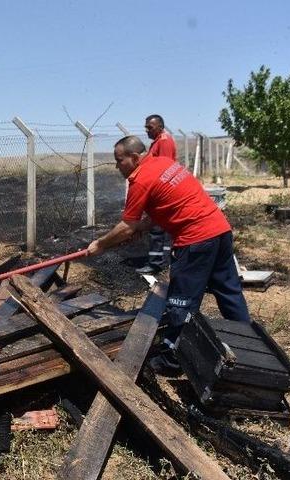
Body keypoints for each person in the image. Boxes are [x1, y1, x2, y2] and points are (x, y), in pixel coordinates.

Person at [86, 136, 250, 373]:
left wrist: (100, 244)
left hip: (195, 240)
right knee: (229, 291)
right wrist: (143, 227)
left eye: (119, 160)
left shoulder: (140, 179)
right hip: (220, 230)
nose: (116, 166)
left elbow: (125, 227)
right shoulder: (164, 164)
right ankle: (247, 343)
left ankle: (173, 359)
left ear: (133, 158)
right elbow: (166, 205)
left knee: (181, 301)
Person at [136, 114, 178, 275]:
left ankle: (155, 264)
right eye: (146, 127)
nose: (147, 130)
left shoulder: (164, 142)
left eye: (150, 127)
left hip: (163, 192)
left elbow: (164, 168)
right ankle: (164, 260)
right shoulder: (159, 141)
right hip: (163, 191)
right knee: (162, 227)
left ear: (160, 127)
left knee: (157, 228)